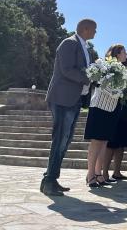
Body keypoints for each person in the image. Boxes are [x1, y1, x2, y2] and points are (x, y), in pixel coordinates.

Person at [41, 19, 96, 196]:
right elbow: (66, 69)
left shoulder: (85, 48)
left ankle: (50, 179)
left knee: (65, 140)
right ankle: (49, 181)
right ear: (85, 29)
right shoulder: (69, 43)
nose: (96, 33)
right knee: (60, 140)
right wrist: (88, 78)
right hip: (63, 98)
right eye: (94, 30)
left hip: (74, 99)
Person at [83, 44, 127, 188]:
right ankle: (90, 174)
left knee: (104, 142)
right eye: (124, 51)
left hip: (112, 108)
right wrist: (121, 93)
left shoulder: (122, 69)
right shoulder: (105, 65)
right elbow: (103, 85)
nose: (126, 54)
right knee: (96, 141)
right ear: (117, 53)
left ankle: (98, 173)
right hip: (100, 106)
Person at [103, 59, 127, 182]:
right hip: (117, 114)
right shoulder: (118, 79)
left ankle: (117, 172)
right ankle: (104, 172)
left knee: (121, 145)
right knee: (111, 145)